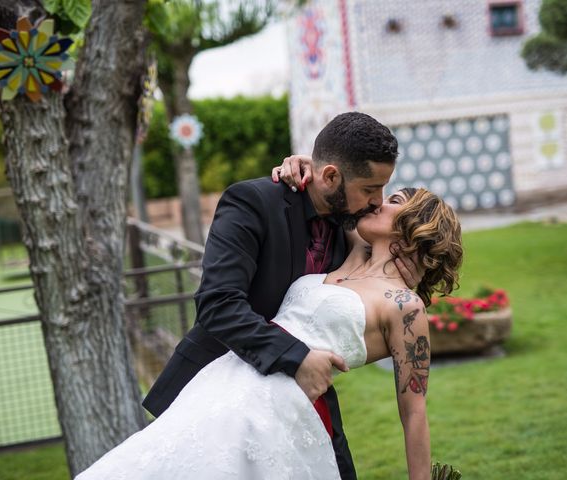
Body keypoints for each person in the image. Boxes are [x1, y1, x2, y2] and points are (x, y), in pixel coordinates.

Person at [76, 187, 463, 479]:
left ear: (418, 225)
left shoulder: (405, 307)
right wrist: (299, 164)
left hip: (281, 409)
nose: (378, 201)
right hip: (227, 376)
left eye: (394, 200)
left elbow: (414, 413)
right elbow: (328, 188)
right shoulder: (352, 249)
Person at [142, 112, 423, 479]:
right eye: (370, 189)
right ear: (332, 176)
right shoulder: (252, 203)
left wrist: (412, 272)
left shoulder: (353, 229)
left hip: (296, 407)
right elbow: (217, 304)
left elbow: (384, 298)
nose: (377, 201)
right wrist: (296, 357)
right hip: (212, 394)